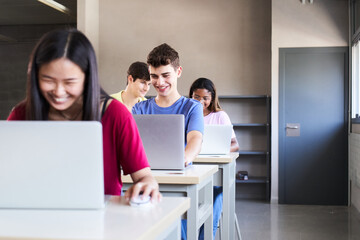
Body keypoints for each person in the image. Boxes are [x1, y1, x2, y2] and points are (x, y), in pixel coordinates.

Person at [7, 29, 161, 203]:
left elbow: (144, 177)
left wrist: (147, 185)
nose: (58, 91)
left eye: (69, 82)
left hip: (102, 222)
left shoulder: (115, 114)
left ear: (87, 78)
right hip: (34, 217)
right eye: (48, 80)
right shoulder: (22, 114)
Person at [132, 43, 204, 167]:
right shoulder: (139, 109)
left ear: (178, 72)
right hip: (145, 173)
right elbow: (132, 144)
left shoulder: (193, 107)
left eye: (166, 75)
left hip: (180, 173)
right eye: (154, 76)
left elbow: (195, 139)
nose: (160, 82)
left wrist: (183, 159)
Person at [189, 77, 239, 152]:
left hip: (214, 158)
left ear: (212, 99)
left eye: (205, 98)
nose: (200, 101)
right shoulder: (186, 115)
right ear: (191, 96)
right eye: (196, 97)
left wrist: (216, 152)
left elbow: (235, 145)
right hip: (191, 157)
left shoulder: (220, 116)